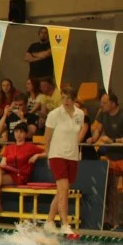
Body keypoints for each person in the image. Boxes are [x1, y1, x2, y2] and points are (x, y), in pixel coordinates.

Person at [43, 87, 88, 234]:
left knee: (61, 191)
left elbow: (78, 133)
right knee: (64, 190)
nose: (65, 101)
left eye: (68, 98)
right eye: (63, 98)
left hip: (72, 156)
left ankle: (49, 221)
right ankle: (65, 224)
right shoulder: (54, 114)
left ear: (74, 99)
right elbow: (47, 138)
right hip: (57, 155)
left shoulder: (80, 114)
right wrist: (48, 156)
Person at [0, 122, 44, 217]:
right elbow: (4, 160)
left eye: (21, 132)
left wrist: (37, 155)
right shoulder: (9, 148)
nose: (18, 134)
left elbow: (48, 152)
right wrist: (3, 163)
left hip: (20, 175)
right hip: (9, 172)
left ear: (26, 134)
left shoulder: (30, 147)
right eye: (16, 132)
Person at [90, 91, 123, 230]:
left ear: (113, 104)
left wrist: (113, 141)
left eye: (104, 102)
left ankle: (118, 221)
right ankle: (109, 220)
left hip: (121, 159)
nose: (101, 105)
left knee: (118, 191)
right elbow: (98, 130)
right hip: (109, 158)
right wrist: (93, 138)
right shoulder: (102, 113)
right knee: (108, 191)